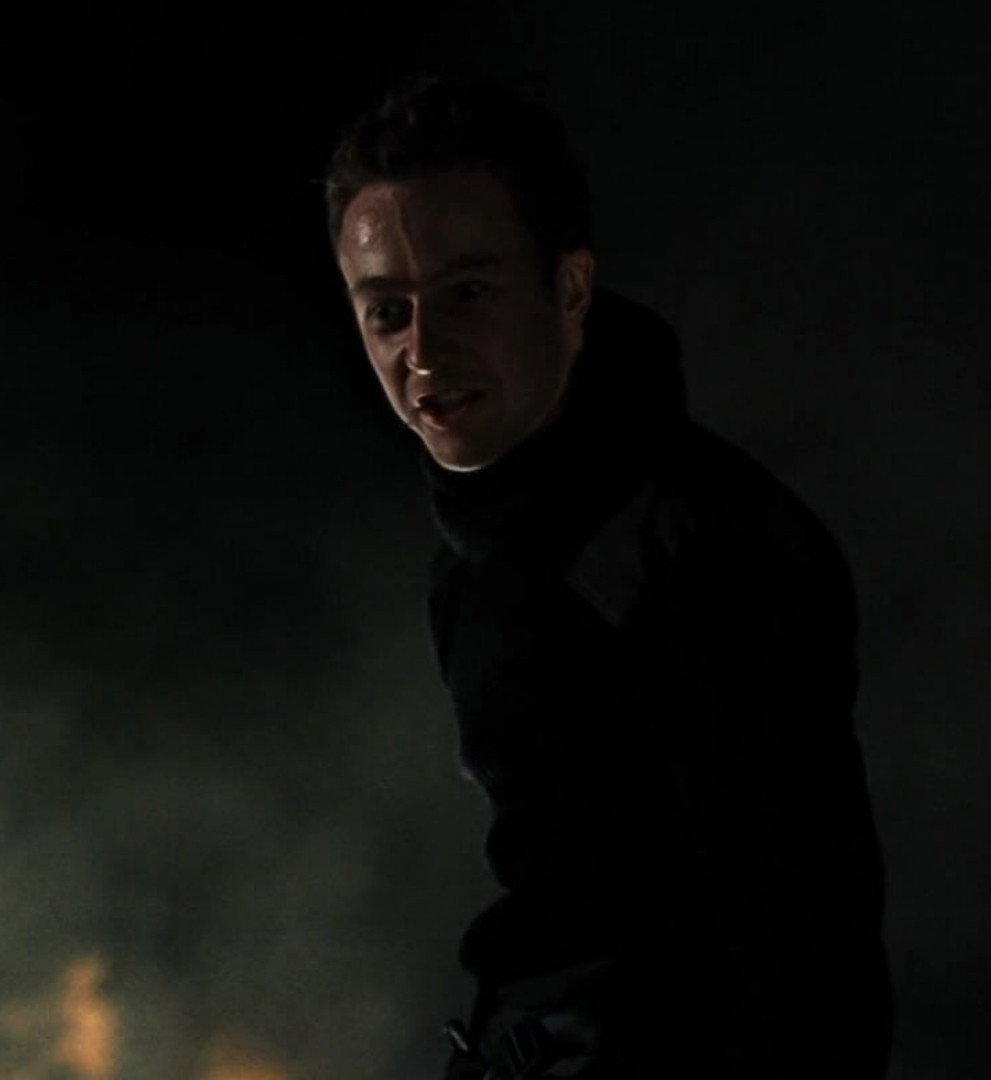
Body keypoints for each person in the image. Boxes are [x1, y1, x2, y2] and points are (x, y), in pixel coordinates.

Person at [322, 72, 892, 1078]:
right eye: (388, 312)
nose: (424, 353)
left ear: (571, 290)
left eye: (468, 294)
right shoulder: (476, 570)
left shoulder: (702, 547)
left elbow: (806, 960)